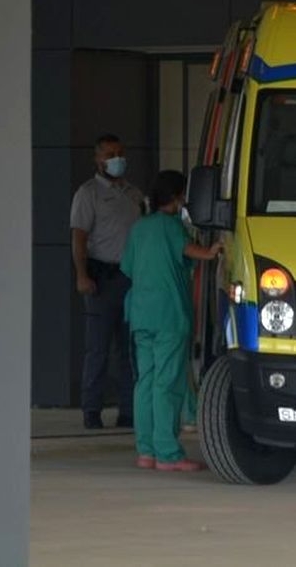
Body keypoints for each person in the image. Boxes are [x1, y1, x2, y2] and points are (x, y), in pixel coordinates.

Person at [121, 170, 222, 472]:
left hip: (141, 314)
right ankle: (168, 453)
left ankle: (146, 451)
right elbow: (192, 252)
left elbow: (127, 267)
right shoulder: (172, 227)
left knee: (145, 382)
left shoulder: (140, 228)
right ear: (178, 197)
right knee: (168, 383)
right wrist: (212, 251)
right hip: (169, 316)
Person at [70, 134, 145, 430]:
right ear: (97, 159)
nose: (117, 159)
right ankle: (91, 410)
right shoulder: (88, 194)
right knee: (98, 349)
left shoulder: (133, 193)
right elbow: (79, 237)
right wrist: (81, 274)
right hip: (101, 278)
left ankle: (127, 410)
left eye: (120, 153)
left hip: (131, 279)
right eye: (110, 154)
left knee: (128, 349)